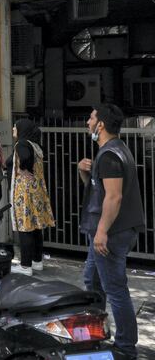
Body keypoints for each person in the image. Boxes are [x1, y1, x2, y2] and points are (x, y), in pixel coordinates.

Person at [78, 104, 145, 360]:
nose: (87, 122)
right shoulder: (114, 151)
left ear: (101, 125)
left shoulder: (109, 156)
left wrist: (102, 231)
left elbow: (114, 198)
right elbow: (102, 192)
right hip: (106, 232)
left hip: (109, 234)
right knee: (93, 282)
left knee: (115, 289)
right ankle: (94, 335)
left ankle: (126, 348)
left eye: (91, 118)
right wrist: (84, 172)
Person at [8, 119, 55, 276]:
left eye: (15, 126)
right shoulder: (36, 145)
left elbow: (25, 157)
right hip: (37, 190)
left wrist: (23, 168)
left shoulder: (22, 144)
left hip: (24, 192)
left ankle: (25, 266)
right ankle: (37, 261)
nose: (13, 129)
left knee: (25, 227)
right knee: (36, 227)